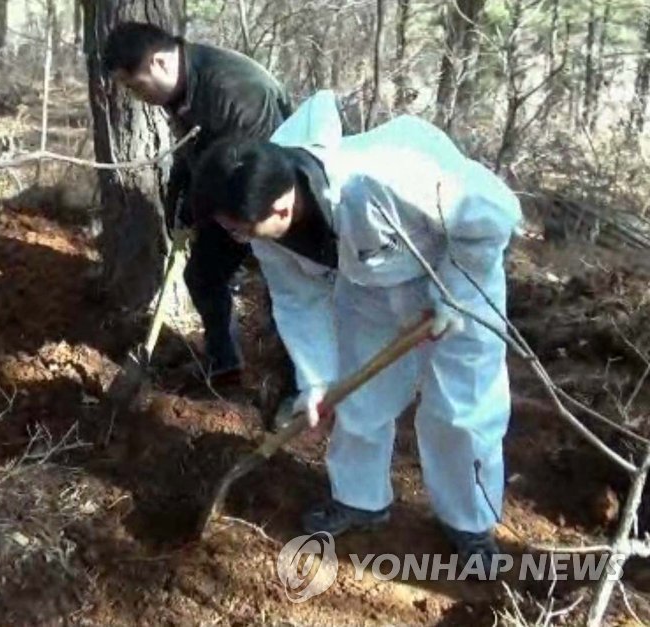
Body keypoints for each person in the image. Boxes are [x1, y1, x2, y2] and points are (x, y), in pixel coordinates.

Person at [188, 90, 521, 571]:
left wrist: (456, 295)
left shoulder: (384, 176)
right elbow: (297, 300)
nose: (239, 238)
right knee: (358, 395)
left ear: (281, 207)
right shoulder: (265, 224)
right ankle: (360, 498)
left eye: (242, 230)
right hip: (369, 286)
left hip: (456, 274)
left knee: (462, 411)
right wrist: (317, 380)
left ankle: (470, 523)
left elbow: (492, 216)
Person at [103, 21, 294, 393]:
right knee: (203, 275)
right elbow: (193, 150)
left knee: (287, 297)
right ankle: (225, 369)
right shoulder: (183, 86)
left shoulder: (234, 91)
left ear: (158, 63)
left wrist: (197, 210)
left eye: (135, 86)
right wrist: (178, 203)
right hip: (227, 196)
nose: (136, 97)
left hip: (274, 203)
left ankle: (296, 392)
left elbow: (243, 172)